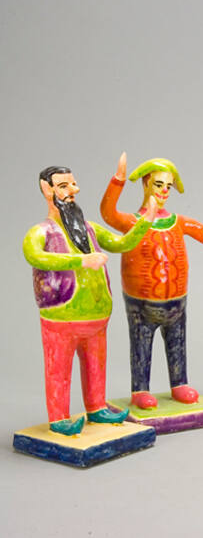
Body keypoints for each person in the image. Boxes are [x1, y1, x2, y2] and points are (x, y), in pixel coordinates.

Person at [23, 166, 156, 435]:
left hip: (97, 316)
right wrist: (81, 260)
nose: (74, 190)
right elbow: (34, 256)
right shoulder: (41, 232)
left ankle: (97, 408)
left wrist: (145, 222)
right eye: (64, 186)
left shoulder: (89, 228)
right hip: (61, 316)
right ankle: (59, 418)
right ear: (47, 190)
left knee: (96, 365)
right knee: (58, 368)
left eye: (73, 184)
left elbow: (121, 244)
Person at [100, 153, 203, 410]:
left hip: (176, 301)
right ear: (146, 184)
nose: (163, 191)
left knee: (177, 341)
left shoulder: (176, 222)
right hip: (141, 302)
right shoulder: (133, 222)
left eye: (168, 186)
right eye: (158, 184)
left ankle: (179, 384)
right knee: (141, 343)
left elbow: (197, 228)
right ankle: (140, 389)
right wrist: (118, 180)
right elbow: (108, 213)